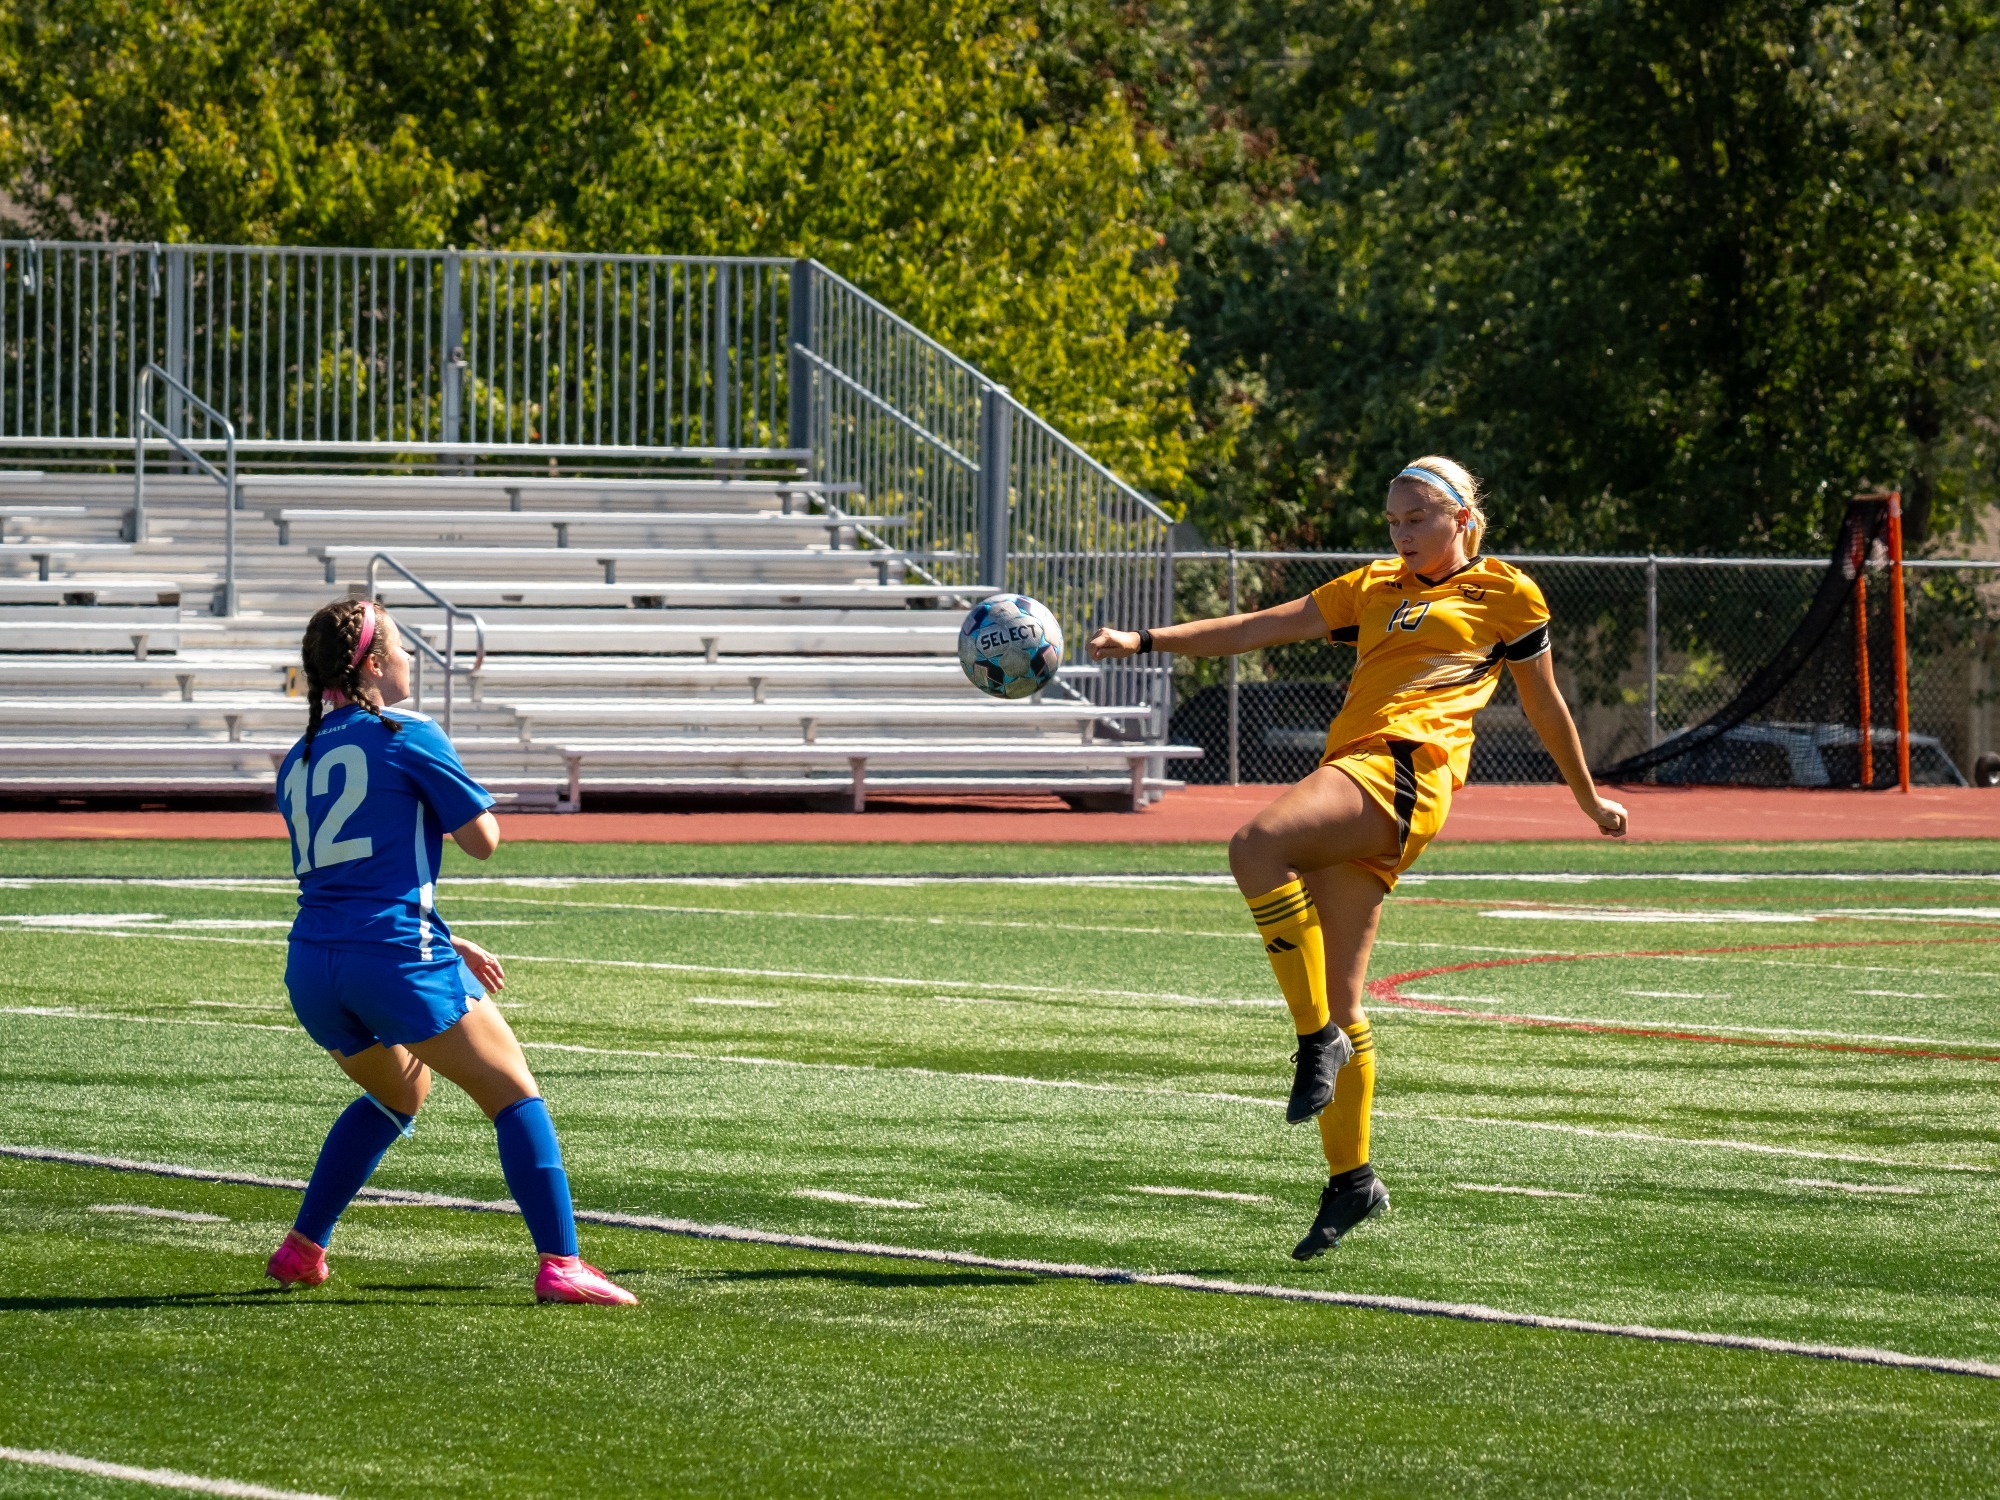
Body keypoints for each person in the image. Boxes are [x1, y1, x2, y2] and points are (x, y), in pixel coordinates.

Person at [1089, 456, 1627, 1260]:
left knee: (1255, 845)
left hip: (1407, 768)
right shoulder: (1372, 585)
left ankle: (1314, 1046)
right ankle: (1352, 1180)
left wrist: (1586, 797)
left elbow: (1544, 704)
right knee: (1343, 999)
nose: (1403, 533)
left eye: (1417, 518)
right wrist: (1146, 639)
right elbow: (1258, 627)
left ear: (1462, 518)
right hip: (1360, 774)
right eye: (1393, 521)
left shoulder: (1507, 593)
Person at [265, 596, 636, 1305]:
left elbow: (349, 875)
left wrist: (444, 933)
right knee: (513, 1090)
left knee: (400, 1089)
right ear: (372, 663)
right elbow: (483, 841)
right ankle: (561, 1263)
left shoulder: (299, 754)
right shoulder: (408, 732)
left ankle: (303, 1247)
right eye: (403, 647)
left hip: (314, 964)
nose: (411, 659)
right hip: (391, 955)